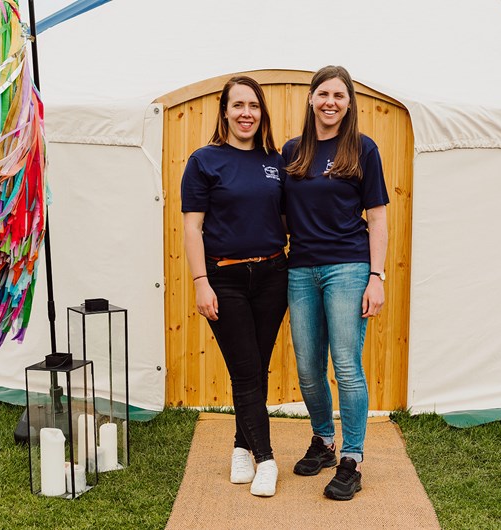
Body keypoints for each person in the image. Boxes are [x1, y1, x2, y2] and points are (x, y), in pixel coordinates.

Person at [282, 65, 389, 501]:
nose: (330, 102)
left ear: (349, 103)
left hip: (348, 267)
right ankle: (324, 440)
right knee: (308, 368)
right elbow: (282, 213)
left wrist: (376, 276)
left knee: (345, 365)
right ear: (311, 99)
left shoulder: (363, 149)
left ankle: (352, 458)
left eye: (339, 96)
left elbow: (378, 217)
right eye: (323, 94)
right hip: (301, 269)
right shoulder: (292, 152)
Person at [181, 75, 288, 497]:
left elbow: (285, 219)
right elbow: (193, 228)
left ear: (262, 113)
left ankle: (241, 447)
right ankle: (266, 459)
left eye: (254, 106)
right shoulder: (203, 161)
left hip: (273, 275)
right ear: (224, 111)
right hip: (223, 278)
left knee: (255, 369)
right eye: (238, 105)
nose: (246, 113)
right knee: (245, 371)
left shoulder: (275, 162)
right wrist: (200, 282)